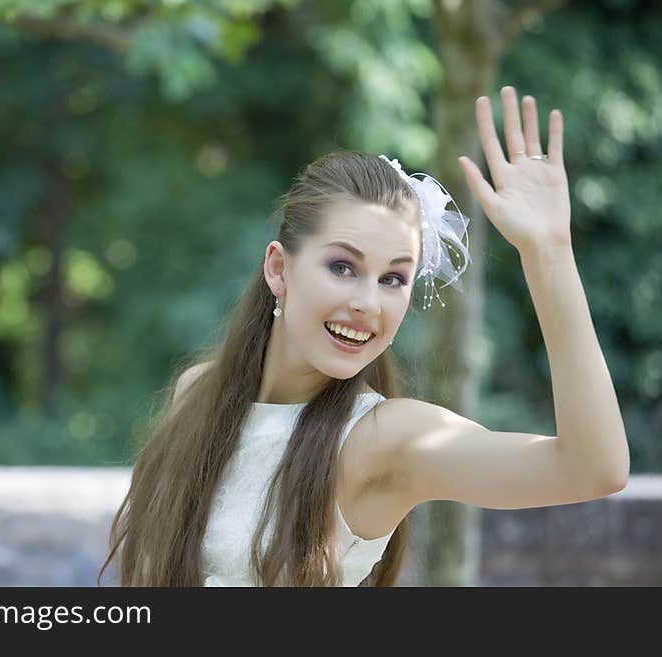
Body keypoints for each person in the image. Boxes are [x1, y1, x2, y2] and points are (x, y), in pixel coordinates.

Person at [98, 85, 630, 587]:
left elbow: (592, 470)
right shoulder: (198, 393)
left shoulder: (386, 440)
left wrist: (549, 254)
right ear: (279, 269)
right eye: (343, 267)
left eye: (394, 278)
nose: (368, 303)